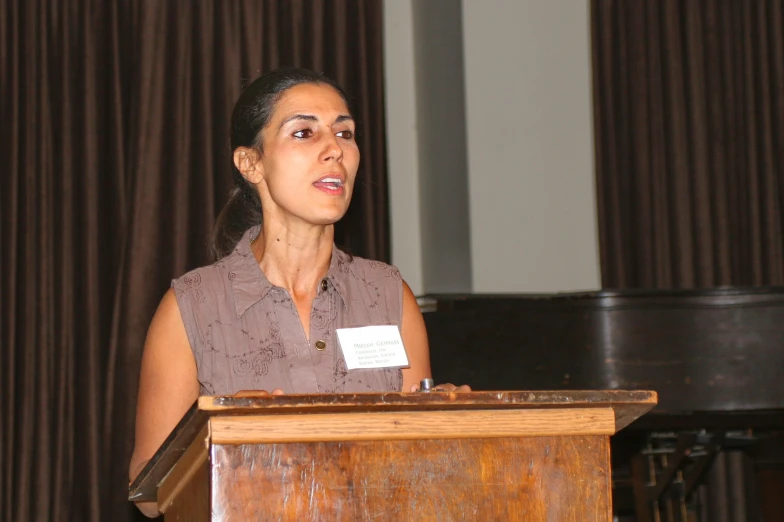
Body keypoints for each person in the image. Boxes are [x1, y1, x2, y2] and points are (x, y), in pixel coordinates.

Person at [128, 68, 470, 517]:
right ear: (252, 163)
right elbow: (150, 495)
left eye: (345, 133)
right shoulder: (191, 306)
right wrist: (226, 432)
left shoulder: (388, 295)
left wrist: (450, 425)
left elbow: (415, 471)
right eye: (305, 132)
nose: (335, 149)